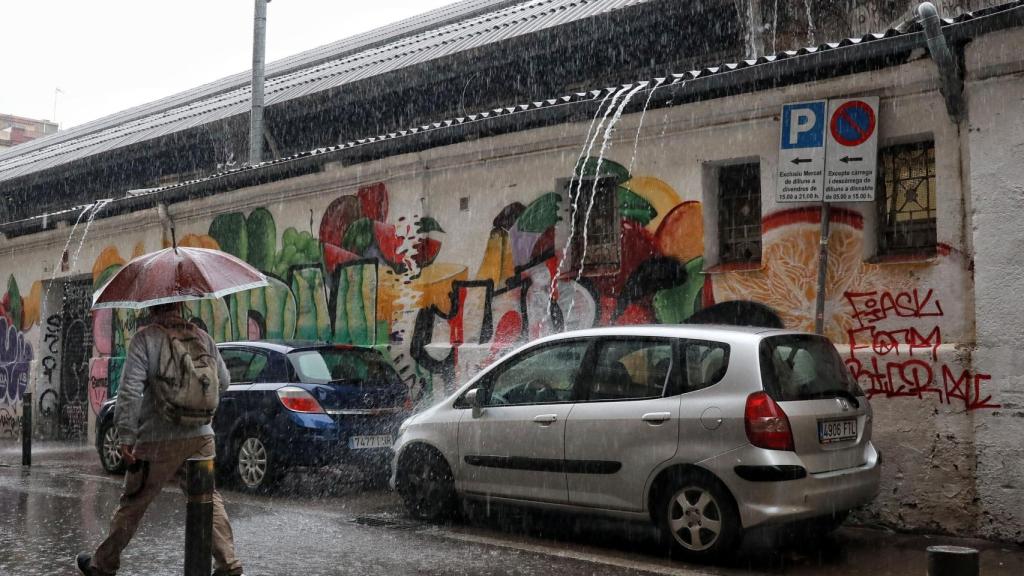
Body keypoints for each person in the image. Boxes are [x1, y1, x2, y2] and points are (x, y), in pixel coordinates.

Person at [77, 302, 244, 576]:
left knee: (135, 500)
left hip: (158, 438)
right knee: (207, 498)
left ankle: (103, 565)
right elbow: (223, 382)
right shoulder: (203, 337)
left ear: (151, 308)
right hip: (201, 437)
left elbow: (130, 390)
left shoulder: (146, 338)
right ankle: (228, 564)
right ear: (180, 307)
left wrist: (126, 435)